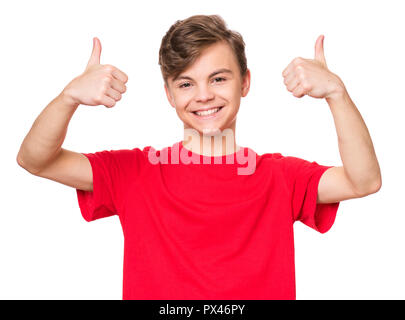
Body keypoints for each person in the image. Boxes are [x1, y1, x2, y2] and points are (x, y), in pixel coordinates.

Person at [16, 14, 381, 300]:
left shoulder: (279, 176)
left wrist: (337, 93)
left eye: (218, 79)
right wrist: (68, 98)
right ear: (169, 94)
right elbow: (36, 159)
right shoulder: (134, 172)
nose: (203, 95)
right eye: (186, 83)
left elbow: (364, 180)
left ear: (246, 82)